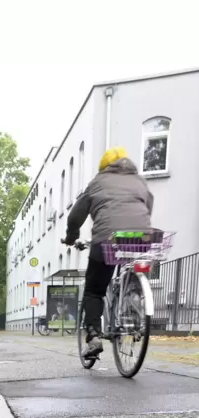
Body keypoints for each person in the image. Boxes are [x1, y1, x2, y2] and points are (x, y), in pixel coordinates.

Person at [63, 147, 154, 359]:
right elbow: (148, 206)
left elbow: (75, 216)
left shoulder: (97, 182)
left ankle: (93, 336)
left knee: (95, 290)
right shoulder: (140, 181)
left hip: (107, 239)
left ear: (104, 166)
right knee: (128, 268)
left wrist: (71, 237)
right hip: (141, 238)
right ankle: (132, 308)